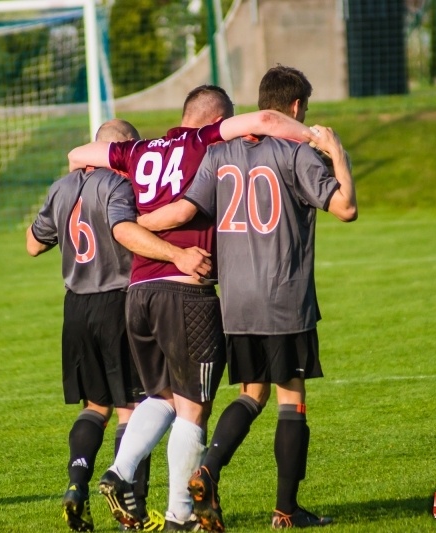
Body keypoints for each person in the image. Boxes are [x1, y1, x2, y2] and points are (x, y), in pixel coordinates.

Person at [68, 86, 315, 531]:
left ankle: (117, 472)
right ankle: (181, 513)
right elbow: (265, 121)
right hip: (185, 292)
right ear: (213, 119)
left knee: (160, 396)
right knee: (193, 407)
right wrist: (314, 136)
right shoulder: (201, 142)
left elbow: (77, 154)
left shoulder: (137, 149)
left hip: (139, 292)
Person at [137, 66, 357, 531]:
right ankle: (285, 510)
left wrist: (135, 227)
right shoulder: (297, 153)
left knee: (250, 393)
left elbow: (182, 210)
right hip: (284, 297)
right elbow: (345, 208)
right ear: (296, 108)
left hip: (235, 303)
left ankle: (207, 471)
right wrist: (337, 154)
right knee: (291, 399)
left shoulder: (218, 155)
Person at [27, 118, 213, 533]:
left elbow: (32, 244)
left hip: (75, 307)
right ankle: (133, 510)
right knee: (134, 405)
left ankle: (76, 486)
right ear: (121, 150)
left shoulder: (61, 187)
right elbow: (128, 230)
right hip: (117, 300)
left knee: (95, 407)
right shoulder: (120, 186)